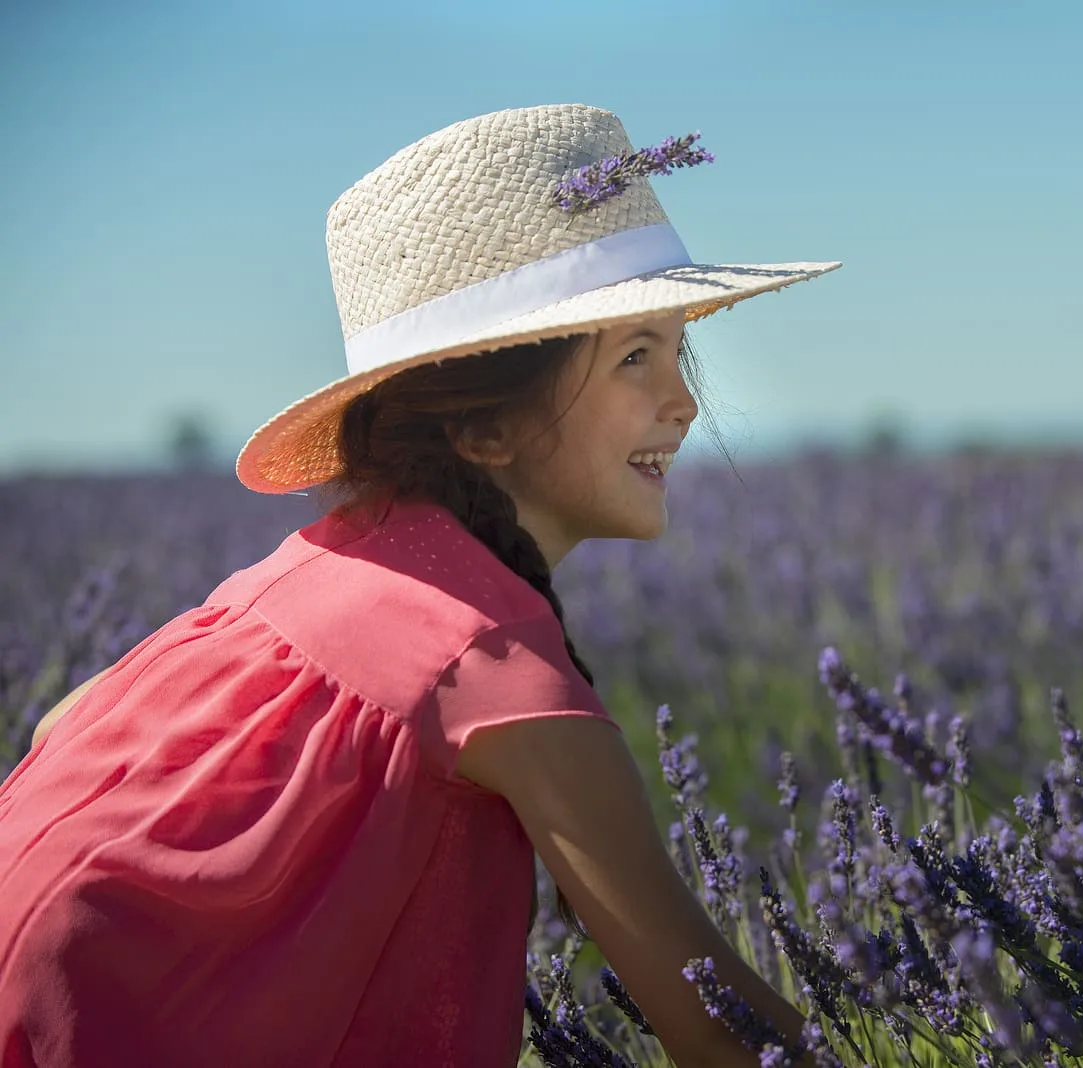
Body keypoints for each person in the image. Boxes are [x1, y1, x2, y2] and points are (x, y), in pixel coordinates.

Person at [0, 103, 840, 1067]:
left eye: (675, 347)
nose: (684, 400)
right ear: (484, 431)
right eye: (633, 359)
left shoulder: (308, 569)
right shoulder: (498, 670)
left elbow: (62, 725)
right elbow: (725, 1033)